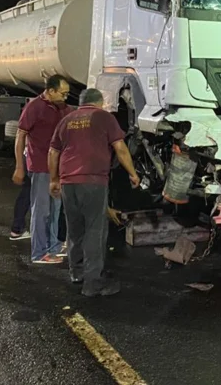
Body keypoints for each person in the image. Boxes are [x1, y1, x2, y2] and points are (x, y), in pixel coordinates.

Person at [48, 88, 139, 296]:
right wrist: (132, 173)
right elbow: (121, 148)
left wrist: (54, 179)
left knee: (75, 228)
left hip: (68, 182)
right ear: (100, 102)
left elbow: (53, 152)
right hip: (93, 181)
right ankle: (93, 283)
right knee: (94, 231)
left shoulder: (67, 120)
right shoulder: (103, 117)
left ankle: (77, 273)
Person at [11, 75, 73, 262]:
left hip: (58, 168)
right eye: (63, 93)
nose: (65, 97)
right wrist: (19, 167)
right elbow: (20, 136)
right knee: (42, 211)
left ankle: (53, 247)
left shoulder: (62, 108)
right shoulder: (34, 107)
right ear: (51, 91)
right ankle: (39, 252)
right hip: (40, 166)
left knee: (55, 209)